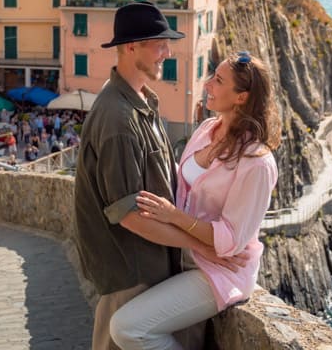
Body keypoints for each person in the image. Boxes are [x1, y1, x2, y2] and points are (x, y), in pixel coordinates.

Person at [74, 2, 245, 350]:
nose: (167, 52)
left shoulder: (142, 103)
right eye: (159, 43)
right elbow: (131, 217)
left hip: (151, 267)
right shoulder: (118, 119)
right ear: (131, 46)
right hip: (130, 271)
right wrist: (203, 247)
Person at [109, 51, 281, 350]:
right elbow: (181, 182)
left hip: (218, 271)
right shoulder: (206, 131)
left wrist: (174, 216)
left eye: (218, 80)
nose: (207, 85)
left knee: (128, 329)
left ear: (241, 97)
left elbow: (230, 243)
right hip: (182, 251)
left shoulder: (256, 163)